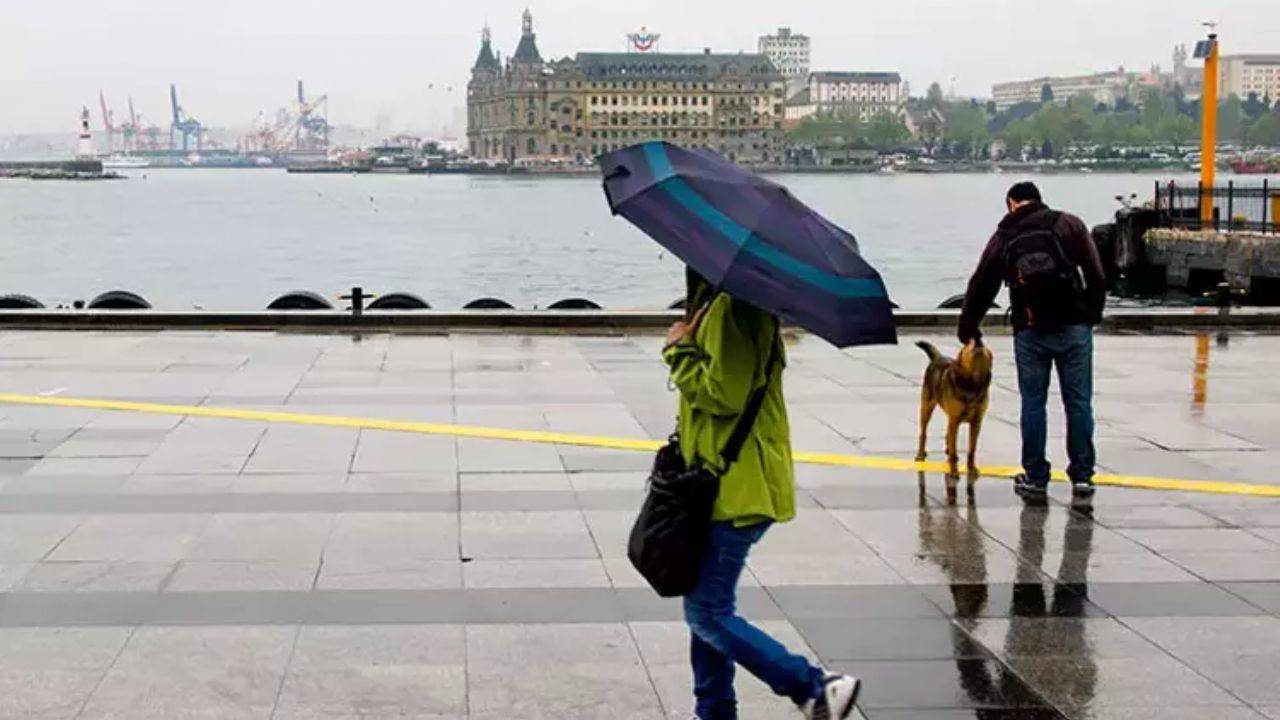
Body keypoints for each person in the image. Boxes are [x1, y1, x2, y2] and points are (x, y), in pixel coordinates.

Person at [662, 267, 860, 720]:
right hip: (727, 482)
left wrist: (678, 351)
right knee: (707, 607)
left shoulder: (734, 309)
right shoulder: (729, 302)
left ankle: (815, 688)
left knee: (707, 612)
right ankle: (713, 711)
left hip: (738, 485)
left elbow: (722, 396)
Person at [958, 182, 1106, 500]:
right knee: (1078, 402)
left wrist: (968, 325)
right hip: (1074, 327)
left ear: (1012, 203)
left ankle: (1036, 477)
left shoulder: (1005, 235)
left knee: (1033, 403)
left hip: (1030, 329)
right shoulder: (1069, 224)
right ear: (1039, 200)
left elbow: (983, 282)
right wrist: (1091, 314)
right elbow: (1096, 273)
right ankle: (1082, 476)